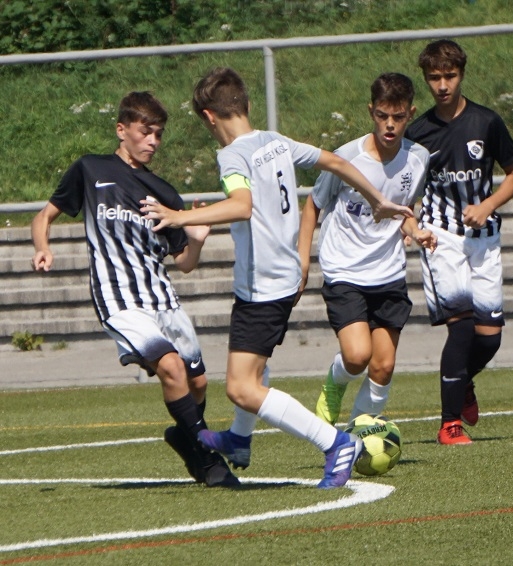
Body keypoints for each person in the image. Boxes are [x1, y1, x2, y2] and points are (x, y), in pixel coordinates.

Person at [141, 67, 413, 489]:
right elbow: (336, 161)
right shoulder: (276, 141)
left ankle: (336, 443)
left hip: (262, 287)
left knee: (241, 388)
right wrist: (378, 199)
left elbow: (241, 205)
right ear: (246, 104)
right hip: (284, 279)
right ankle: (239, 438)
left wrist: (179, 216)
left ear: (209, 117)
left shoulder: (232, 156)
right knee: (253, 368)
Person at [30, 91, 239, 486]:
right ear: (121, 130)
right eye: (146, 132)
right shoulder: (90, 169)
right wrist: (43, 247)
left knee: (197, 382)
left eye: (158, 134)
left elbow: (184, 264)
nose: (153, 142)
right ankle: (209, 458)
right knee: (171, 367)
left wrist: (196, 239)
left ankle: (185, 439)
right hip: (118, 297)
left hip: (162, 298)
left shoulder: (163, 192)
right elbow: (44, 217)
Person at [404, 39, 513, 445]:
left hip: (484, 239)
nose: (442, 85)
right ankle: (449, 423)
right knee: (461, 330)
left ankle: (462, 383)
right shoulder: (417, 134)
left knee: (489, 339)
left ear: (462, 75)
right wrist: (413, 226)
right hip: (442, 239)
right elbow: (405, 194)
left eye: (450, 76)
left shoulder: (486, 122)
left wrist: (488, 205)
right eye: (434, 78)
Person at [302, 72, 436, 425]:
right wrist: (302, 262)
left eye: (398, 117)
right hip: (344, 268)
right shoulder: (346, 158)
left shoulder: (418, 158)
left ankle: (356, 436)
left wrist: (416, 231)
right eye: (382, 115)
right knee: (358, 355)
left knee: (383, 365)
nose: (390, 125)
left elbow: (402, 210)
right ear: (370, 111)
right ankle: (335, 383)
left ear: (411, 113)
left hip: (388, 271)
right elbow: (314, 205)